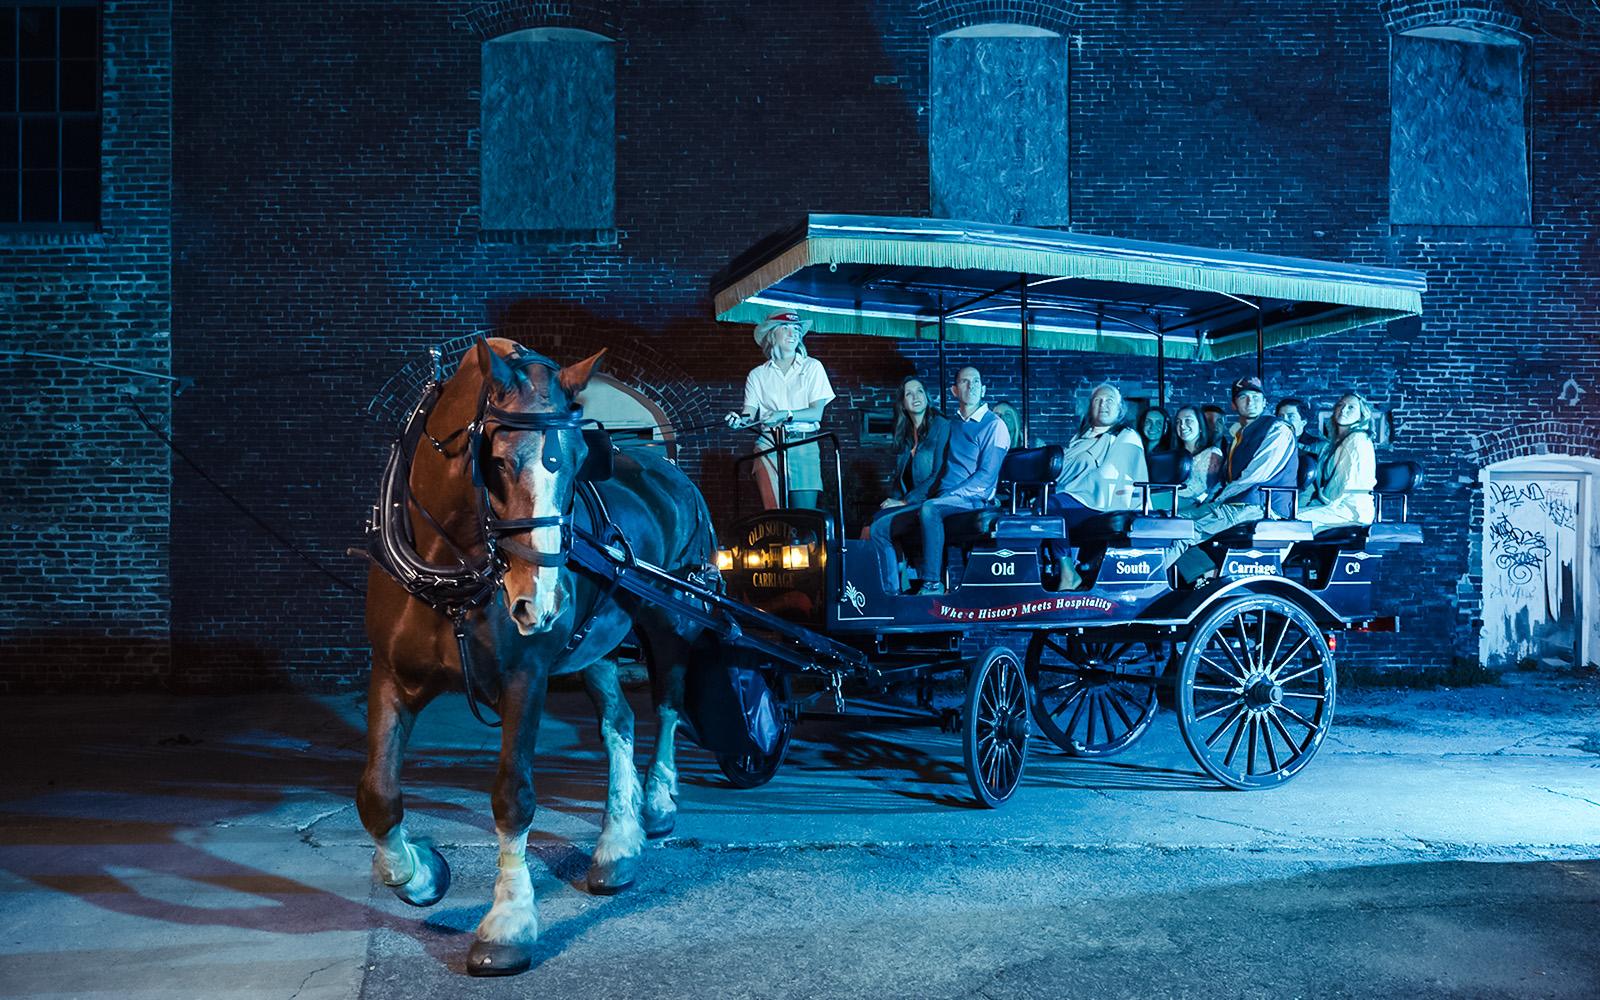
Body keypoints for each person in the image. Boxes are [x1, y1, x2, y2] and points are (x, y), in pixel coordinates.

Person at [870, 366, 1010, 595]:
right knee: (879, 528)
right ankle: (891, 592)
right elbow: (937, 471)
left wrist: (949, 495)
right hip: (941, 499)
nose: (971, 386)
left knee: (929, 509)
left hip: (972, 500)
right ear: (954, 391)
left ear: (983, 388)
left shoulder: (994, 425)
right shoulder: (950, 425)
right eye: (964, 382)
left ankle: (932, 584)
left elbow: (986, 479)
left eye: (976, 381)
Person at [1165, 375, 1298, 584]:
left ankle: (1144, 584)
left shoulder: (1277, 429)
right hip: (1239, 504)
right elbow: (1227, 479)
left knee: (1183, 531)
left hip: (1261, 506)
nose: (1250, 401)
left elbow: (1255, 475)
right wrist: (1213, 500)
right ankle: (1202, 577)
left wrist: (1217, 501)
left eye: (1256, 397)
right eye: (1243, 397)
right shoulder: (1239, 434)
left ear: (1264, 402)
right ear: (1234, 404)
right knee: (1167, 522)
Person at [725, 310, 835, 510]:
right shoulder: (757, 375)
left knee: (805, 517)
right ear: (772, 334)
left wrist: (785, 414)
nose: (793, 334)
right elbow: (748, 413)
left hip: (805, 443)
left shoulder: (812, 367)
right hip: (770, 443)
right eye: (785, 328)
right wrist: (738, 419)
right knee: (774, 514)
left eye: (796, 329)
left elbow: (816, 413)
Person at [1045, 384, 1149, 590]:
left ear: (1120, 409)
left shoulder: (1126, 436)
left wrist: (1070, 488)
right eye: (1097, 400)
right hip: (1078, 495)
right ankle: (1048, 571)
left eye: (1110, 400)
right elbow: (1062, 472)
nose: (1103, 405)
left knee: (1049, 505)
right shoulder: (1080, 438)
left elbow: (1107, 474)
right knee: (1035, 507)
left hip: (1104, 498)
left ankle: (1068, 573)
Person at [1298, 392, 1377, 531]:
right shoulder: (1334, 444)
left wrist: (1312, 506)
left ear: (1361, 415)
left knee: (1290, 525)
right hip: (1336, 507)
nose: (1344, 410)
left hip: (1351, 510)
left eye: (1351, 407)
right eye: (1340, 405)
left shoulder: (1357, 440)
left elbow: (1340, 485)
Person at [880, 375, 951, 508]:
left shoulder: (942, 426)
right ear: (903, 404)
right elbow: (900, 480)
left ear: (926, 397)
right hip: (908, 502)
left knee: (876, 528)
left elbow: (939, 475)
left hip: (930, 503)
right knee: (872, 522)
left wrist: (904, 502)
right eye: (909, 394)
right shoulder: (904, 433)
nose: (915, 397)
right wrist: (894, 502)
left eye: (919, 391)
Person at [1171, 403, 1222, 511]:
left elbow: (1205, 490)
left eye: (1188, 420)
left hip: (1195, 506)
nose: (1182, 426)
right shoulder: (1174, 455)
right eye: (1178, 422)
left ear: (1200, 425)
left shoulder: (1213, 453)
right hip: (1171, 498)